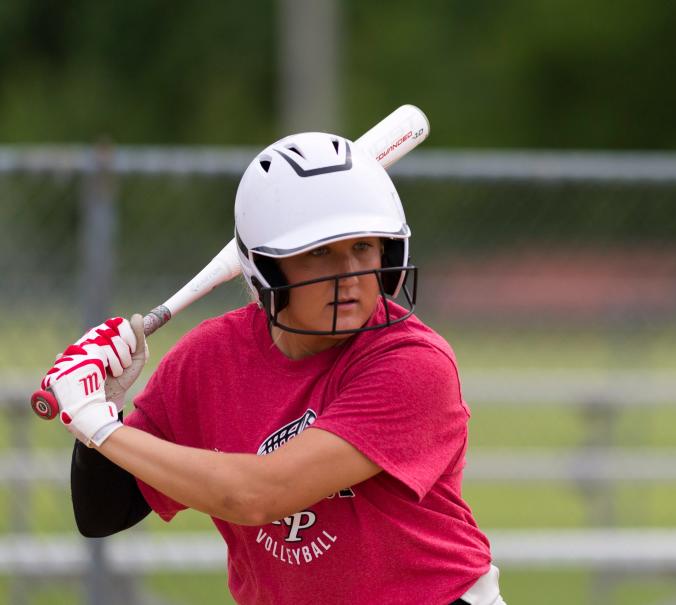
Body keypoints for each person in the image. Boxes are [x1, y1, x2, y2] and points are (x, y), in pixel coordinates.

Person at [40, 131, 505, 605]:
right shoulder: (210, 358)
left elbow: (259, 497)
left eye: (363, 247)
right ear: (267, 265)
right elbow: (105, 512)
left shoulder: (412, 363)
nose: (350, 275)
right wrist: (106, 410)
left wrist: (99, 427)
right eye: (319, 251)